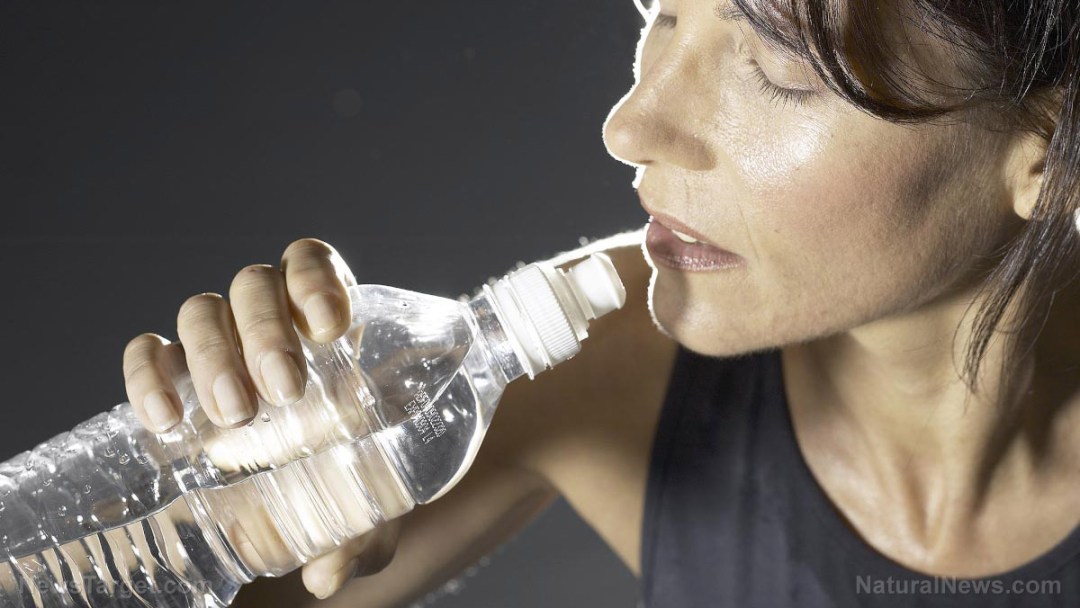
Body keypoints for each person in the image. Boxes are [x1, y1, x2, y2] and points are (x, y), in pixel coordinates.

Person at [122, 0, 1080, 605]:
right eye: (661, 16)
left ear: (1046, 153)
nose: (630, 124)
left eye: (780, 66)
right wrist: (197, 492)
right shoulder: (606, 359)